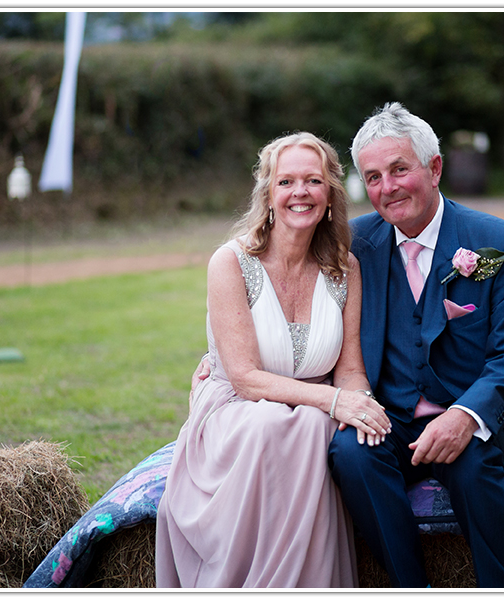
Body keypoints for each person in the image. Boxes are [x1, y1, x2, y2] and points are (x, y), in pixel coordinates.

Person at [326, 102, 504, 588]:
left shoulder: (500, 243)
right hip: (388, 415)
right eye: (373, 177)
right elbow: (293, 301)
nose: (387, 188)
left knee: (471, 461)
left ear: (435, 168)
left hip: (467, 413)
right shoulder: (354, 244)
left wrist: (465, 416)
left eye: (399, 169)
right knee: (351, 453)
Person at [155, 132, 392, 588]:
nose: (299, 192)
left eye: (312, 181)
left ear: (329, 197)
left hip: (308, 409)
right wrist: (332, 401)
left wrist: (360, 404)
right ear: (267, 195)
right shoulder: (231, 262)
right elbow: (245, 378)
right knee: (290, 424)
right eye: (286, 182)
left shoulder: (345, 270)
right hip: (237, 412)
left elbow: (349, 370)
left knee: (314, 426)